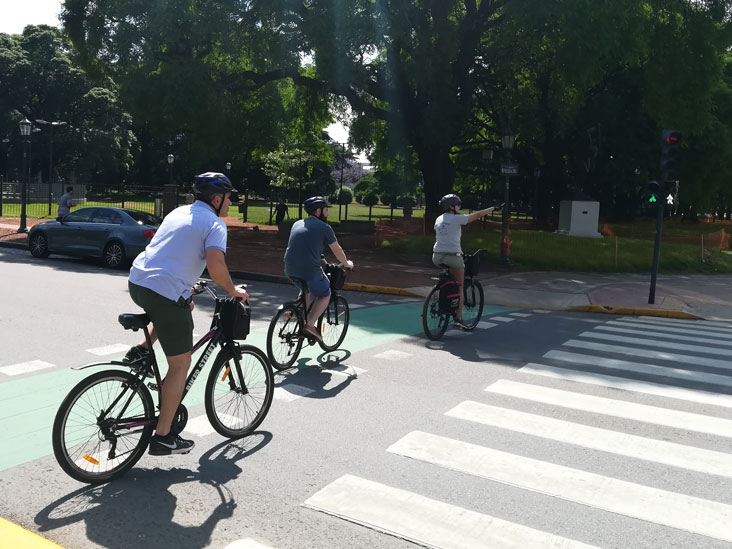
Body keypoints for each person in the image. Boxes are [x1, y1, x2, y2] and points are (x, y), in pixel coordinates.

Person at [123, 172, 249, 455]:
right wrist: (233, 291)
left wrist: (185, 284)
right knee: (180, 364)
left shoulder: (178, 212)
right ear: (217, 199)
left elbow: (172, 251)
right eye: (229, 197)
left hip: (138, 281)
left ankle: (143, 349)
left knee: (184, 304)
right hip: (163, 291)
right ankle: (163, 436)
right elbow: (217, 268)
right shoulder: (215, 224)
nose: (230, 202)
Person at [283, 196, 353, 342]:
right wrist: (346, 263)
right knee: (325, 292)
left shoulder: (297, 224)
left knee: (306, 289)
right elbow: (337, 249)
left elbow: (303, 245)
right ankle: (309, 325)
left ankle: (301, 319)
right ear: (319, 211)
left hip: (289, 267)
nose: (327, 214)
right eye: (326, 210)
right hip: (309, 269)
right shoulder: (325, 227)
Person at [433, 194, 498, 329]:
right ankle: (458, 319)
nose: (459, 207)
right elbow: (477, 215)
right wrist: (493, 208)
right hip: (453, 257)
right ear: (452, 206)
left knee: (449, 278)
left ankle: (444, 299)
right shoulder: (457, 219)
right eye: (458, 205)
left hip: (437, 257)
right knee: (460, 286)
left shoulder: (438, 219)